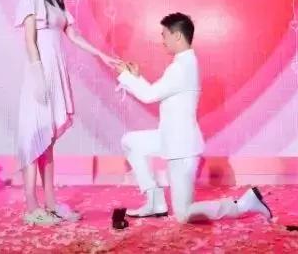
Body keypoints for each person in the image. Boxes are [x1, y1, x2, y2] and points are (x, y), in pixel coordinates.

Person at [115, 12, 273, 223]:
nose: (162, 40)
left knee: (184, 214)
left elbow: (149, 95)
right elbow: (157, 92)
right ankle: (154, 201)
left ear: (177, 36)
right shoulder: (184, 64)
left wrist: (125, 76)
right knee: (130, 142)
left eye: (164, 35)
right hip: (170, 138)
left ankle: (243, 204)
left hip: (182, 148)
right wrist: (135, 77)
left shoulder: (181, 67)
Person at [15, 0, 119, 225]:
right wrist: (37, 74)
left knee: (47, 141)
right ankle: (31, 206)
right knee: (33, 136)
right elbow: (30, 40)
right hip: (40, 73)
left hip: (56, 73)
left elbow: (73, 35)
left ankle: (50, 203)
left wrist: (103, 56)